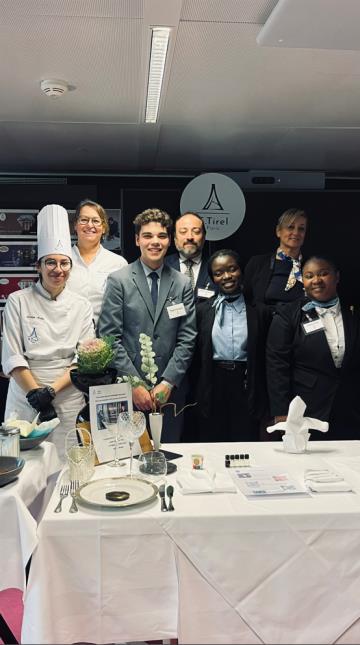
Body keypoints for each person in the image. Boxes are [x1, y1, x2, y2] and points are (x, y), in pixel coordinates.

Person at [1, 204, 95, 458]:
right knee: (25, 465)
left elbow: (82, 358)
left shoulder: (81, 305)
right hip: (25, 395)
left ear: (70, 267)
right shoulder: (18, 301)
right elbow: (12, 355)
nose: (58, 269)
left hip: (67, 395)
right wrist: (36, 394)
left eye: (64, 263)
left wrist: (51, 392)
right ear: (38, 266)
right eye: (50, 262)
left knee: (70, 462)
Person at [98, 208, 197, 442]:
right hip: (128, 393)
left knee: (169, 456)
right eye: (148, 235)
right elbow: (109, 338)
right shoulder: (119, 281)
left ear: (169, 240)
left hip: (170, 393)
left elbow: (188, 337)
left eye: (162, 236)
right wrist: (134, 385)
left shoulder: (182, 283)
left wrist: (169, 381)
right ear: (137, 239)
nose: (155, 242)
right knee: (130, 457)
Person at [266, 255, 360, 440]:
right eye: (309, 276)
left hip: (349, 408)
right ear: (303, 281)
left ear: (337, 277)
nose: (316, 280)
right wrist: (281, 411)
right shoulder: (289, 314)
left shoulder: (353, 314)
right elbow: (276, 364)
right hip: (305, 409)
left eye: (323, 274)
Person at [189, 249, 271, 442]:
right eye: (218, 273)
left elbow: (266, 357)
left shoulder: (260, 311)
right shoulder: (202, 311)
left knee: (244, 441)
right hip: (212, 382)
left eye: (232, 269)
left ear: (241, 271)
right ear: (213, 278)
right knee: (212, 442)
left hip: (245, 383)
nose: (227, 276)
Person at [66, 199, 127, 325]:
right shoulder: (62, 260)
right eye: (84, 220)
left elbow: (126, 306)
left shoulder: (118, 263)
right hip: (66, 335)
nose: (90, 225)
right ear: (75, 225)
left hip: (106, 338)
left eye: (95, 221)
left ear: (104, 228)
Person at [243, 208, 308, 312]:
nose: (296, 232)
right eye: (290, 227)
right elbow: (246, 301)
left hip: (299, 325)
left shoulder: (310, 267)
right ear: (278, 231)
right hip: (265, 326)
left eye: (301, 229)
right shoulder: (257, 263)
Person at [165, 211, 217, 299]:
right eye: (183, 231)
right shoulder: (161, 266)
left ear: (204, 237)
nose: (189, 237)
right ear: (174, 238)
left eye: (196, 231)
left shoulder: (216, 267)